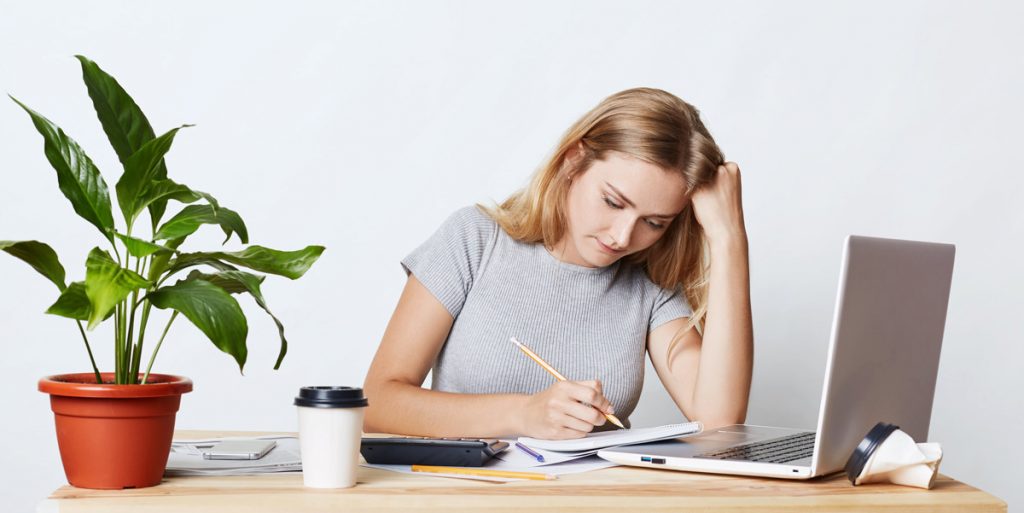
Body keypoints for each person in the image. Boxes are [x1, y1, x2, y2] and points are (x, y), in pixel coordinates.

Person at [363, 87, 753, 440]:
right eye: (614, 202)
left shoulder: (649, 282)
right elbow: (376, 404)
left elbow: (719, 422)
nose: (622, 237)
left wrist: (729, 237)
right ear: (573, 161)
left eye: (654, 223)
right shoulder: (474, 240)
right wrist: (522, 414)